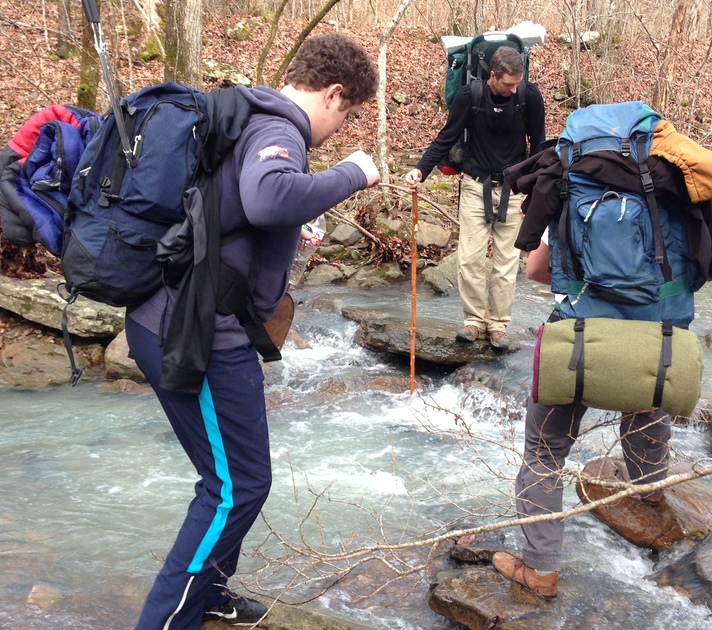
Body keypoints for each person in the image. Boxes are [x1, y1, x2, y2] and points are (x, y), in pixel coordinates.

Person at [124, 33, 380, 629]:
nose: (342, 129)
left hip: (168, 320)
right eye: (349, 115)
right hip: (197, 336)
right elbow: (267, 199)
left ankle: (208, 590)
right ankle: (166, 621)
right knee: (236, 486)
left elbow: (242, 211)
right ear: (334, 93)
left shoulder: (247, 113)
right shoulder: (278, 127)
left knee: (234, 479)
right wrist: (352, 173)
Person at [493, 148, 712, 600]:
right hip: (655, 355)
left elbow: (537, 269)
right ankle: (648, 492)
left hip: (578, 347)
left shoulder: (571, 198)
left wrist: (593, 285)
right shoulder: (682, 206)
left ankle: (541, 570)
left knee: (543, 455)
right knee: (650, 384)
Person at [404, 45, 546, 350]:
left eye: (517, 83)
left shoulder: (529, 97)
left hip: (514, 189)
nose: (512, 89)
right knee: (469, 259)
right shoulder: (470, 96)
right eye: (507, 83)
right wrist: (421, 170)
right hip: (475, 184)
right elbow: (448, 136)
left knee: (506, 264)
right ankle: (473, 322)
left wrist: (537, 190)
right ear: (492, 75)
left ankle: (498, 326)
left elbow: (539, 147)